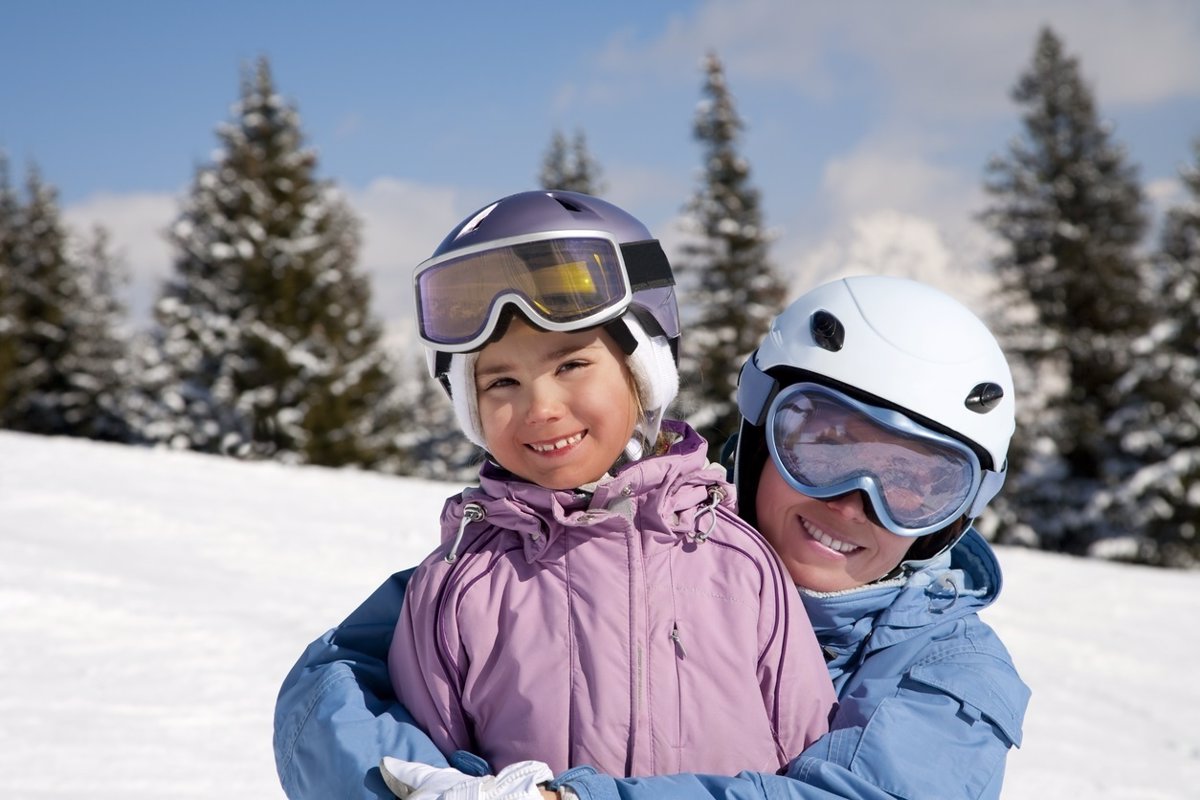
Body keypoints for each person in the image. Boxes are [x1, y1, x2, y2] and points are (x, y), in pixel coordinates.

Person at [274, 273, 1030, 799]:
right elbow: (332, 690)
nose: (853, 503)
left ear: (954, 516)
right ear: (762, 436)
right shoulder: (577, 560)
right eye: (823, 448)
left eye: (915, 482)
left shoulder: (947, 667)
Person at [363, 190, 834, 789]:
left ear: (645, 372)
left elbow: (811, 771)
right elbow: (440, 769)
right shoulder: (459, 590)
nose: (540, 408)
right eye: (501, 381)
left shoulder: (740, 565)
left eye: (571, 366)